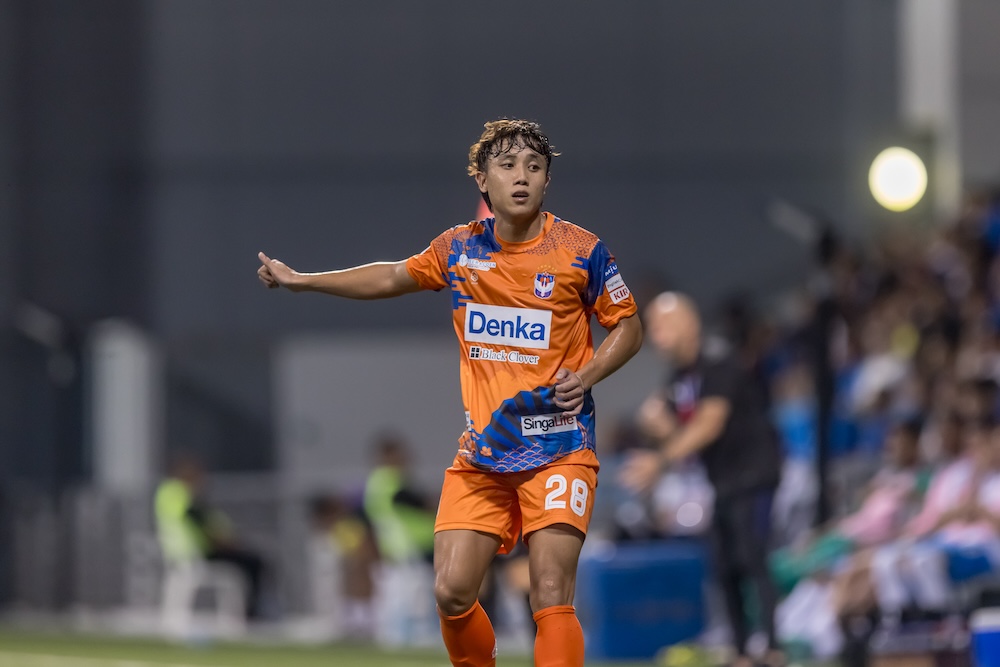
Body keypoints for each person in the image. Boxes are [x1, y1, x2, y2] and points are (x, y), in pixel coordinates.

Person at [257, 118, 643, 667]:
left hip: (560, 447)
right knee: (452, 592)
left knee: (549, 589)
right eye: (507, 165)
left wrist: (587, 375)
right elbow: (392, 276)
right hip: (484, 455)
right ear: (482, 180)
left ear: (547, 180)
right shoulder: (459, 249)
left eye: (534, 167)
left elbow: (628, 325)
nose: (522, 177)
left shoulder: (579, 250)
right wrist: (304, 280)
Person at [621, 292, 784, 667]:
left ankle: (773, 648)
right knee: (725, 566)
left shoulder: (718, 360)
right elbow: (682, 433)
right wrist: (659, 428)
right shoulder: (680, 378)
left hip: (753, 474)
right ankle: (742, 652)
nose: (656, 334)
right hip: (722, 479)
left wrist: (661, 460)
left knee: (752, 557)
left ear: (689, 323)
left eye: (663, 324)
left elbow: (710, 424)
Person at [154, 453, 268, 620]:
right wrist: (223, 540)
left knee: (248, 561)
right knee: (253, 562)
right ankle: (251, 615)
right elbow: (198, 520)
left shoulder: (168, 493)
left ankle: (249, 613)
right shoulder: (180, 493)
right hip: (196, 553)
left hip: (185, 554)